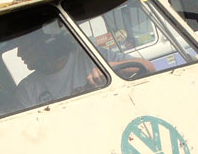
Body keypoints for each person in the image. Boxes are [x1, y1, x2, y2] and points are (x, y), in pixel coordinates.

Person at [16, 30, 155, 108]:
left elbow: (149, 67)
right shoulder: (27, 89)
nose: (19, 54)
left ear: (44, 44)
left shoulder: (89, 56)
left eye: (25, 46)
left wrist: (111, 69)